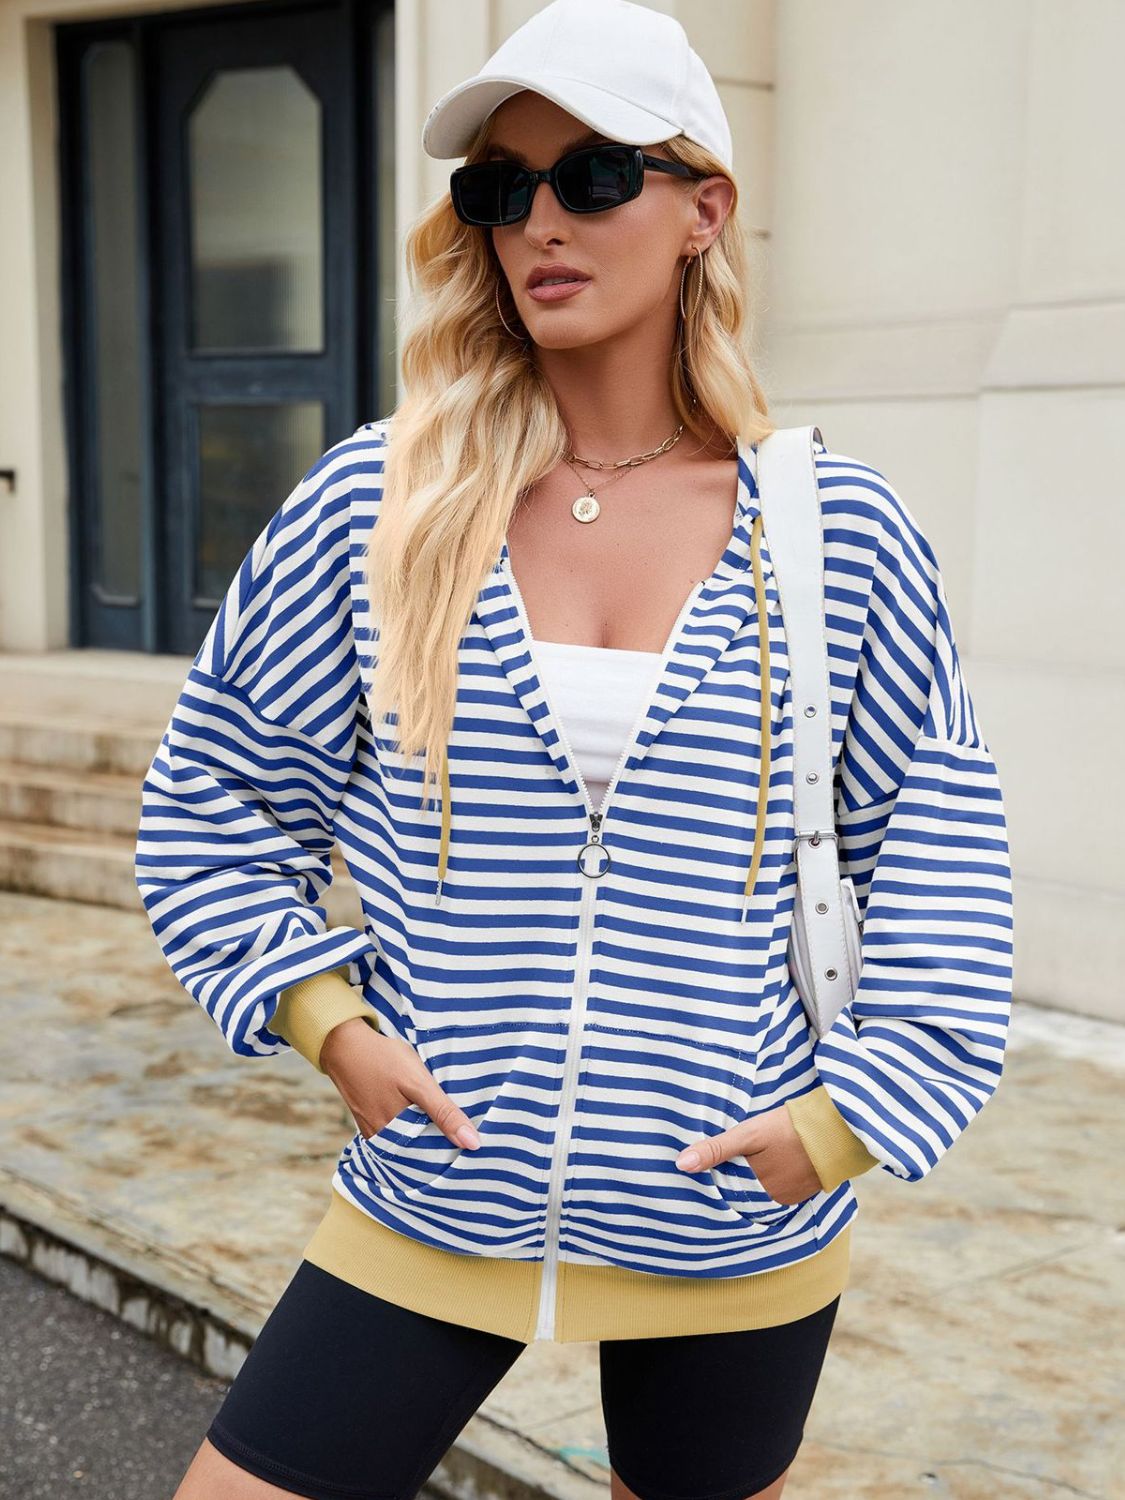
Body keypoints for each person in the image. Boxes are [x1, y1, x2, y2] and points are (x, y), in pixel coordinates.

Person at [138, 3, 1014, 1497]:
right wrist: (327, 1024)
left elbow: (938, 859)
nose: (538, 221)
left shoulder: (832, 536)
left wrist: (841, 1129)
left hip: (734, 1226)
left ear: (702, 211)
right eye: (499, 188)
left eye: (593, 176)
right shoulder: (382, 506)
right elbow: (212, 798)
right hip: (435, 1197)